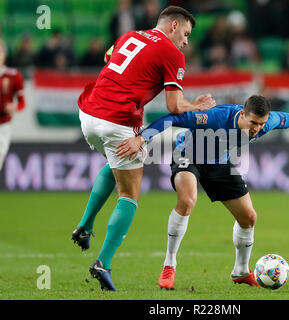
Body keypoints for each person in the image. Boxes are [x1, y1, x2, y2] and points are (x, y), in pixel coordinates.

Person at [118, 95, 289, 289]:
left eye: (261, 124)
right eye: (253, 123)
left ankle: (240, 271)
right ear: (242, 115)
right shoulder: (215, 117)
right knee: (188, 200)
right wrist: (142, 138)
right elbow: (174, 118)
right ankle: (169, 265)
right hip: (188, 155)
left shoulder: (265, 123)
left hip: (219, 162)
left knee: (249, 218)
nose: (257, 129)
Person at [71, 6, 216, 291]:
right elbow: (174, 107)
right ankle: (103, 262)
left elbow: (108, 57)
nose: (186, 41)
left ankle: (85, 226)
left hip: (88, 113)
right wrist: (196, 106)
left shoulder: (129, 35)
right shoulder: (172, 53)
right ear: (174, 26)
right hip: (117, 120)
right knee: (129, 194)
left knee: (116, 165)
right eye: (185, 34)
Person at [0, 39, 25, 171]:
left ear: (4, 55)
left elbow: (22, 103)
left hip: (3, 126)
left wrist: (14, 108)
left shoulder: (13, 76)